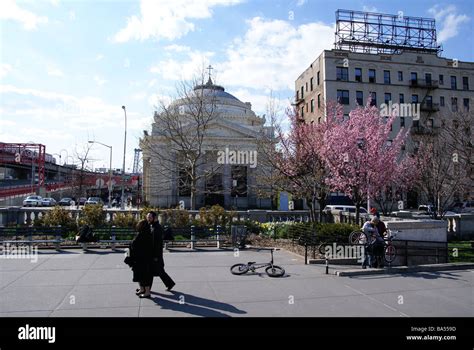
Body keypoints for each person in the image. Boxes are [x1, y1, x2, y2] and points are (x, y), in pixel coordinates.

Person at [147, 211, 175, 294]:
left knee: (158, 271)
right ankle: (148, 288)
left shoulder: (157, 228)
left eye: (150, 217)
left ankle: (169, 283)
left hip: (156, 254)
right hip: (154, 254)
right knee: (152, 271)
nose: (148, 218)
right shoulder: (152, 226)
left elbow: (157, 244)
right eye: (147, 217)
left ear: (154, 218)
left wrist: (155, 256)